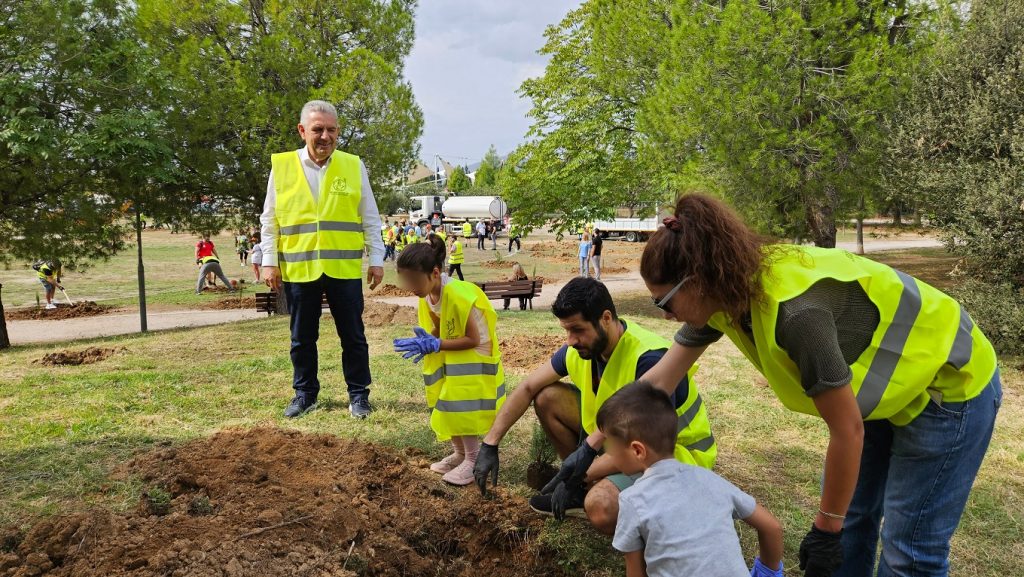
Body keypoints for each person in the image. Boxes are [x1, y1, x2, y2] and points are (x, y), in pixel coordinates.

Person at [616, 193, 999, 577]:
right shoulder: (725, 295)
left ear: (697, 281)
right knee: (851, 522)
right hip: (882, 395)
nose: (664, 315)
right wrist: (595, 446)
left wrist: (825, 530)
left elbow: (847, 431)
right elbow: (658, 384)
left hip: (946, 384)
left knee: (910, 552)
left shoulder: (797, 315)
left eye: (662, 302)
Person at [472, 278, 716, 534]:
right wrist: (490, 443)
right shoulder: (581, 350)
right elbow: (528, 387)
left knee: (601, 506)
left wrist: (579, 476)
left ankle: (589, 488)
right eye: (566, 330)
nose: (570, 340)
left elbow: (641, 448)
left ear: (606, 318)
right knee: (547, 397)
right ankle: (579, 484)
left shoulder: (648, 359)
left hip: (672, 458)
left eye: (577, 330)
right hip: (615, 441)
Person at [259, 100, 385, 420]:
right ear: (303, 131)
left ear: (338, 132)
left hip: (342, 267)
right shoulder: (283, 166)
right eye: (318, 129)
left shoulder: (353, 165)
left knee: (353, 336)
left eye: (331, 130)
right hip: (300, 268)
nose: (325, 136)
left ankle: (359, 395)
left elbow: (369, 216)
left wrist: (377, 258)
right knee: (302, 337)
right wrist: (270, 261)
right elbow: (269, 218)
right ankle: (305, 394)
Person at [600, 381, 785, 577]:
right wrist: (768, 572)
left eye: (610, 446)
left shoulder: (632, 500)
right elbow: (772, 527)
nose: (608, 453)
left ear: (637, 450)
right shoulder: (711, 479)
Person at [393, 236, 506, 486]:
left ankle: (474, 458)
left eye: (413, 279)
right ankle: (460, 453)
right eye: (405, 279)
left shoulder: (455, 294)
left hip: (475, 356)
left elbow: (473, 340)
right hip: (455, 350)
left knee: (458, 402)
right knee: (444, 398)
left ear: (434, 273)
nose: (409, 286)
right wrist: (426, 342)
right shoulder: (427, 296)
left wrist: (437, 344)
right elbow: (437, 327)